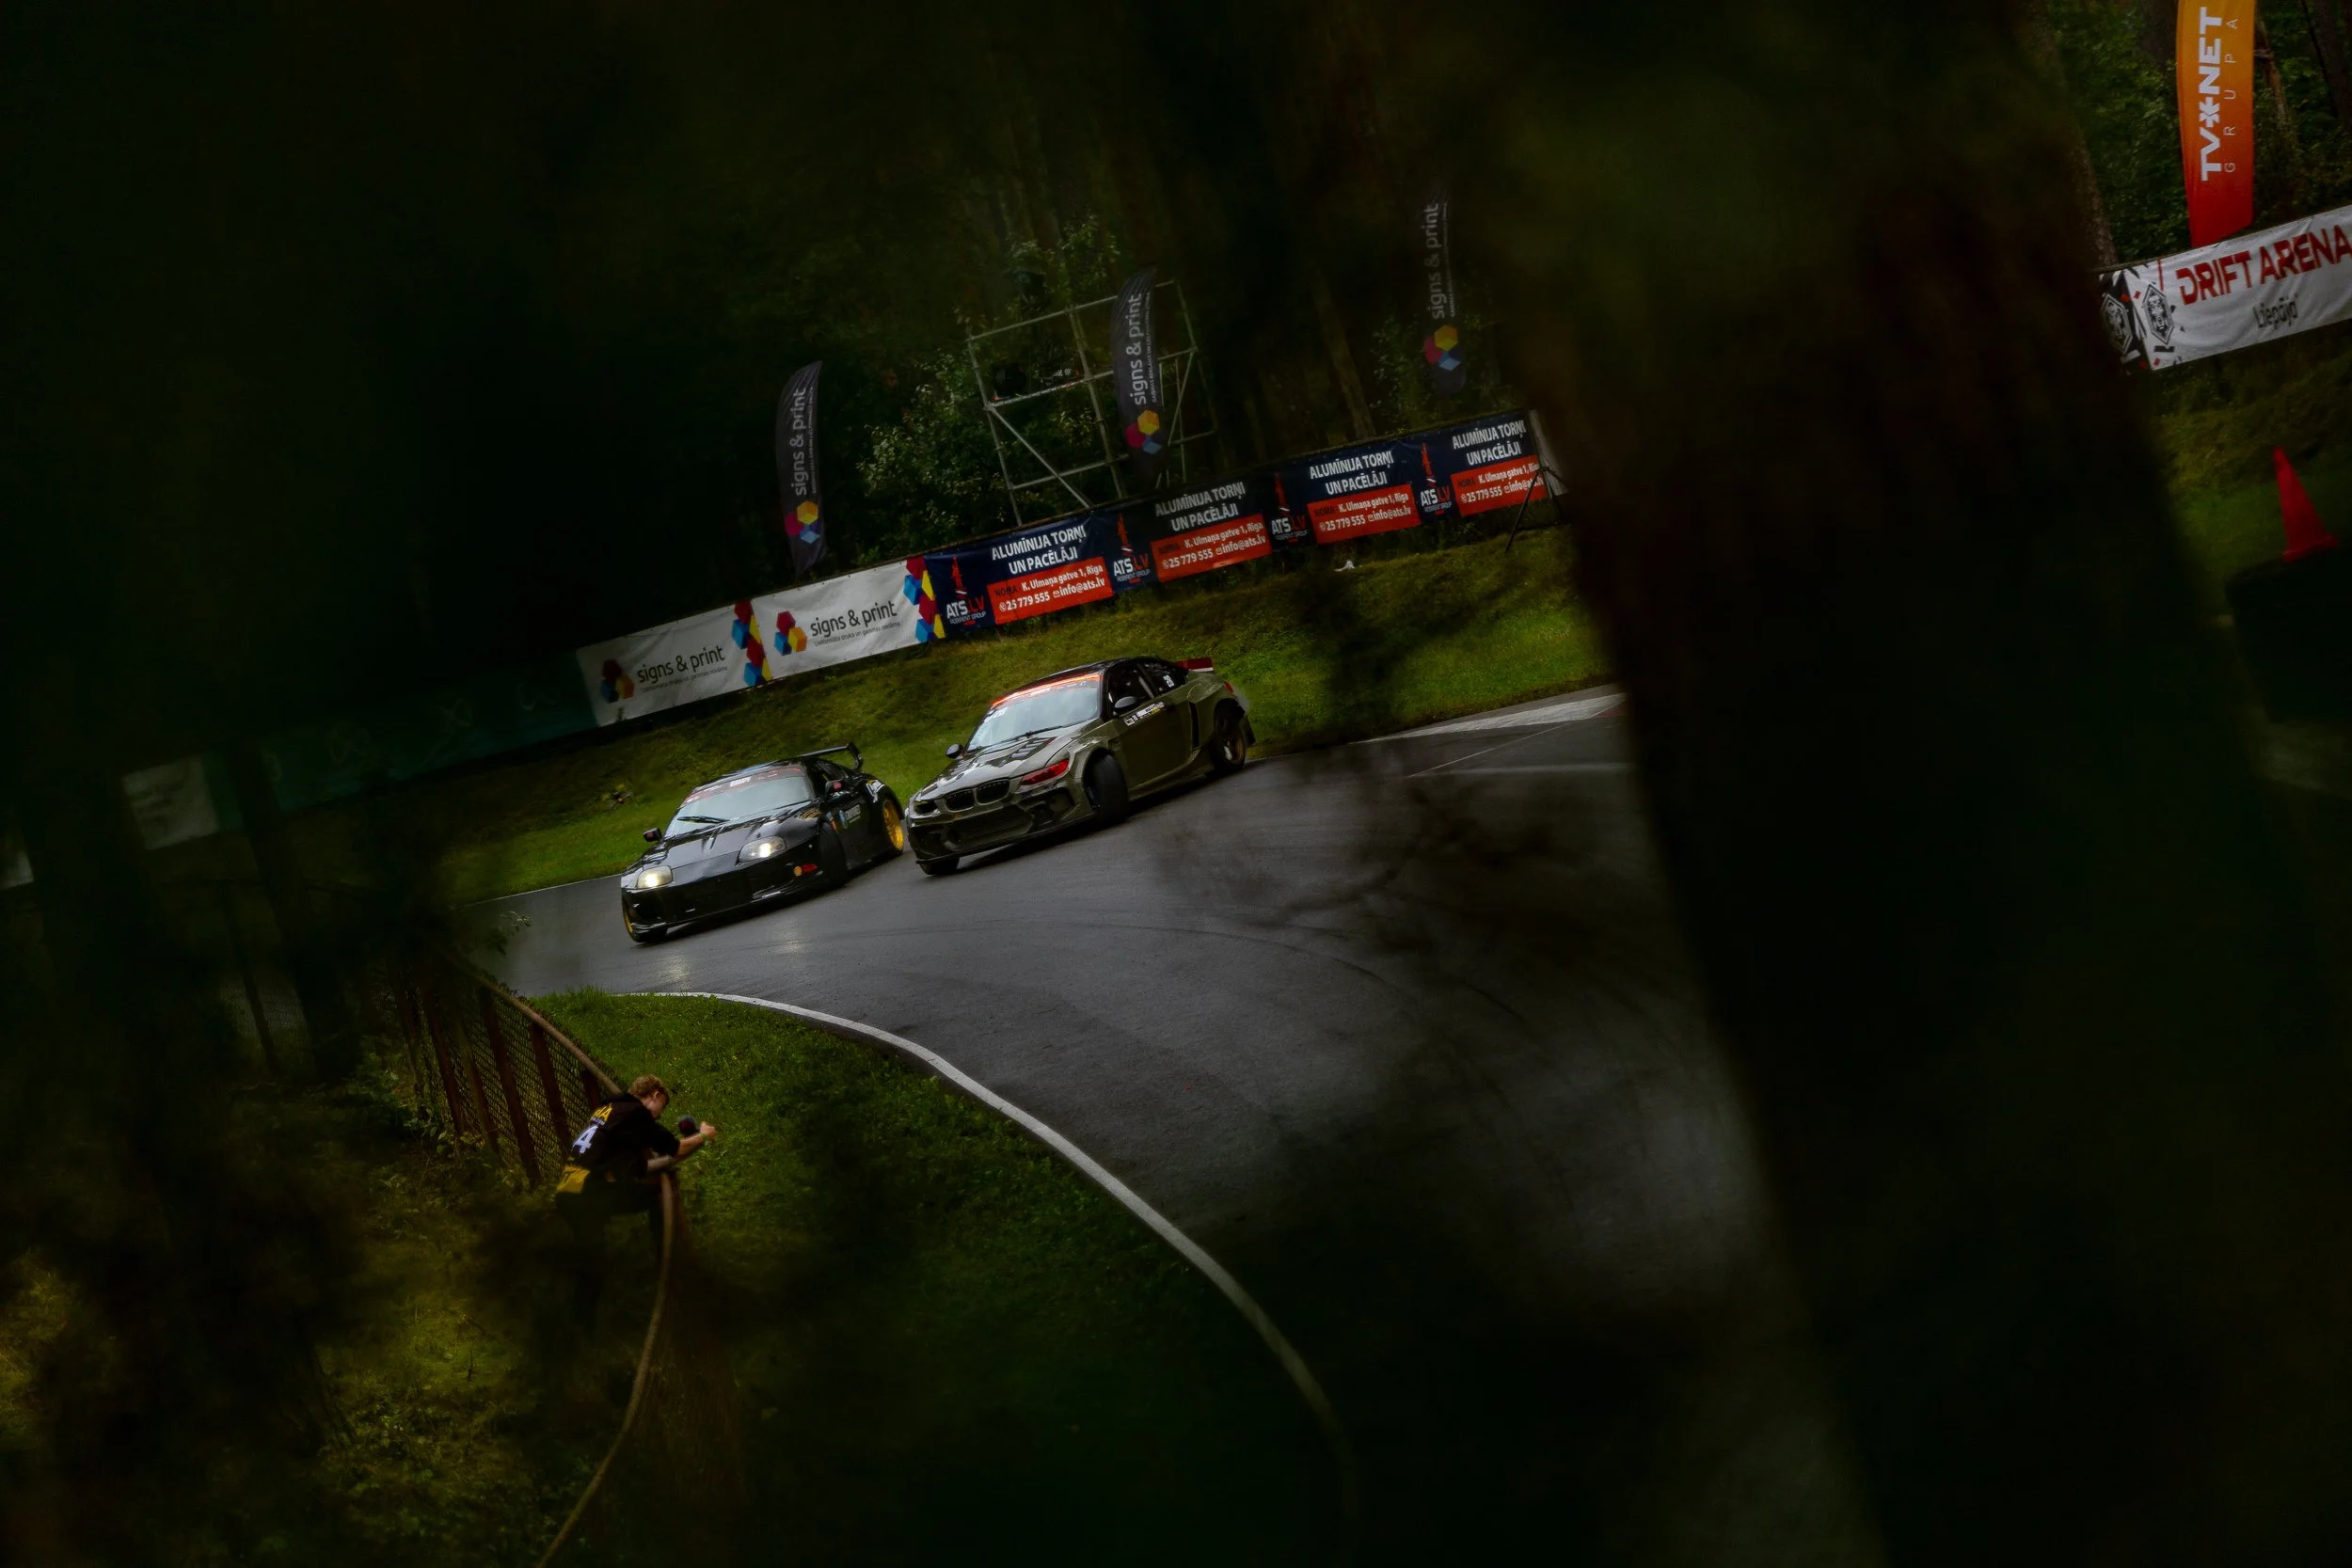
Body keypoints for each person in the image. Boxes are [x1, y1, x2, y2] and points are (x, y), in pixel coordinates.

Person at [555, 1073, 716, 1273]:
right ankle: (668, 1266)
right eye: (661, 1108)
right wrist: (703, 1136)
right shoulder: (636, 1114)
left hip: (568, 1190)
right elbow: (676, 1149)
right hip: (590, 1192)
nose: (658, 1116)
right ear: (655, 1095)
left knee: (592, 1263)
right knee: (654, 1197)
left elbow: (634, 1167)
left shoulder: (608, 1109)